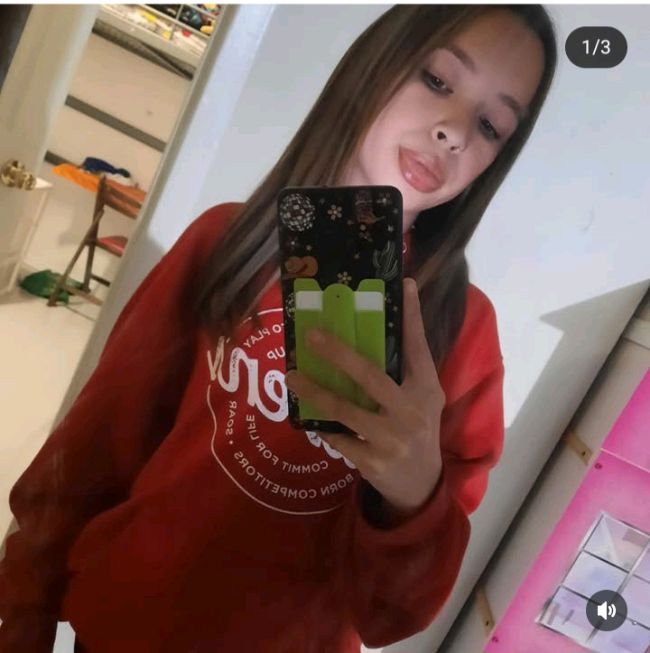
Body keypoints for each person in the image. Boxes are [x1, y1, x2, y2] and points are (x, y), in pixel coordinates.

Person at [0, 5, 557, 653]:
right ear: (373, 65)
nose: (455, 132)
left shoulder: (463, 333)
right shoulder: (224, 240)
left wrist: (414, 496)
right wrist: (23, 613)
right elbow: (93, 448)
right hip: (121, 627)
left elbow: (393, 615)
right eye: (437, 79)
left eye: (491, 126)